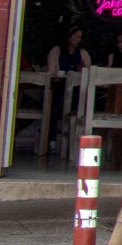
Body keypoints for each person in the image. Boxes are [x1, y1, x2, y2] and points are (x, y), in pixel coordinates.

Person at [45, 27, 90, 158]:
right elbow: (51, 73)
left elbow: (88, 74)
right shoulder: (57, 51)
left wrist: (81, 70)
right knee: (54, 105)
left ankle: (73, 142)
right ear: (69, 37)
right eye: (76, 37)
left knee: (76, 103)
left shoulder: (82, 53)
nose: (78, 40)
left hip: (76, 90)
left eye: (80, 37)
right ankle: (52, 140)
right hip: (59, 86)